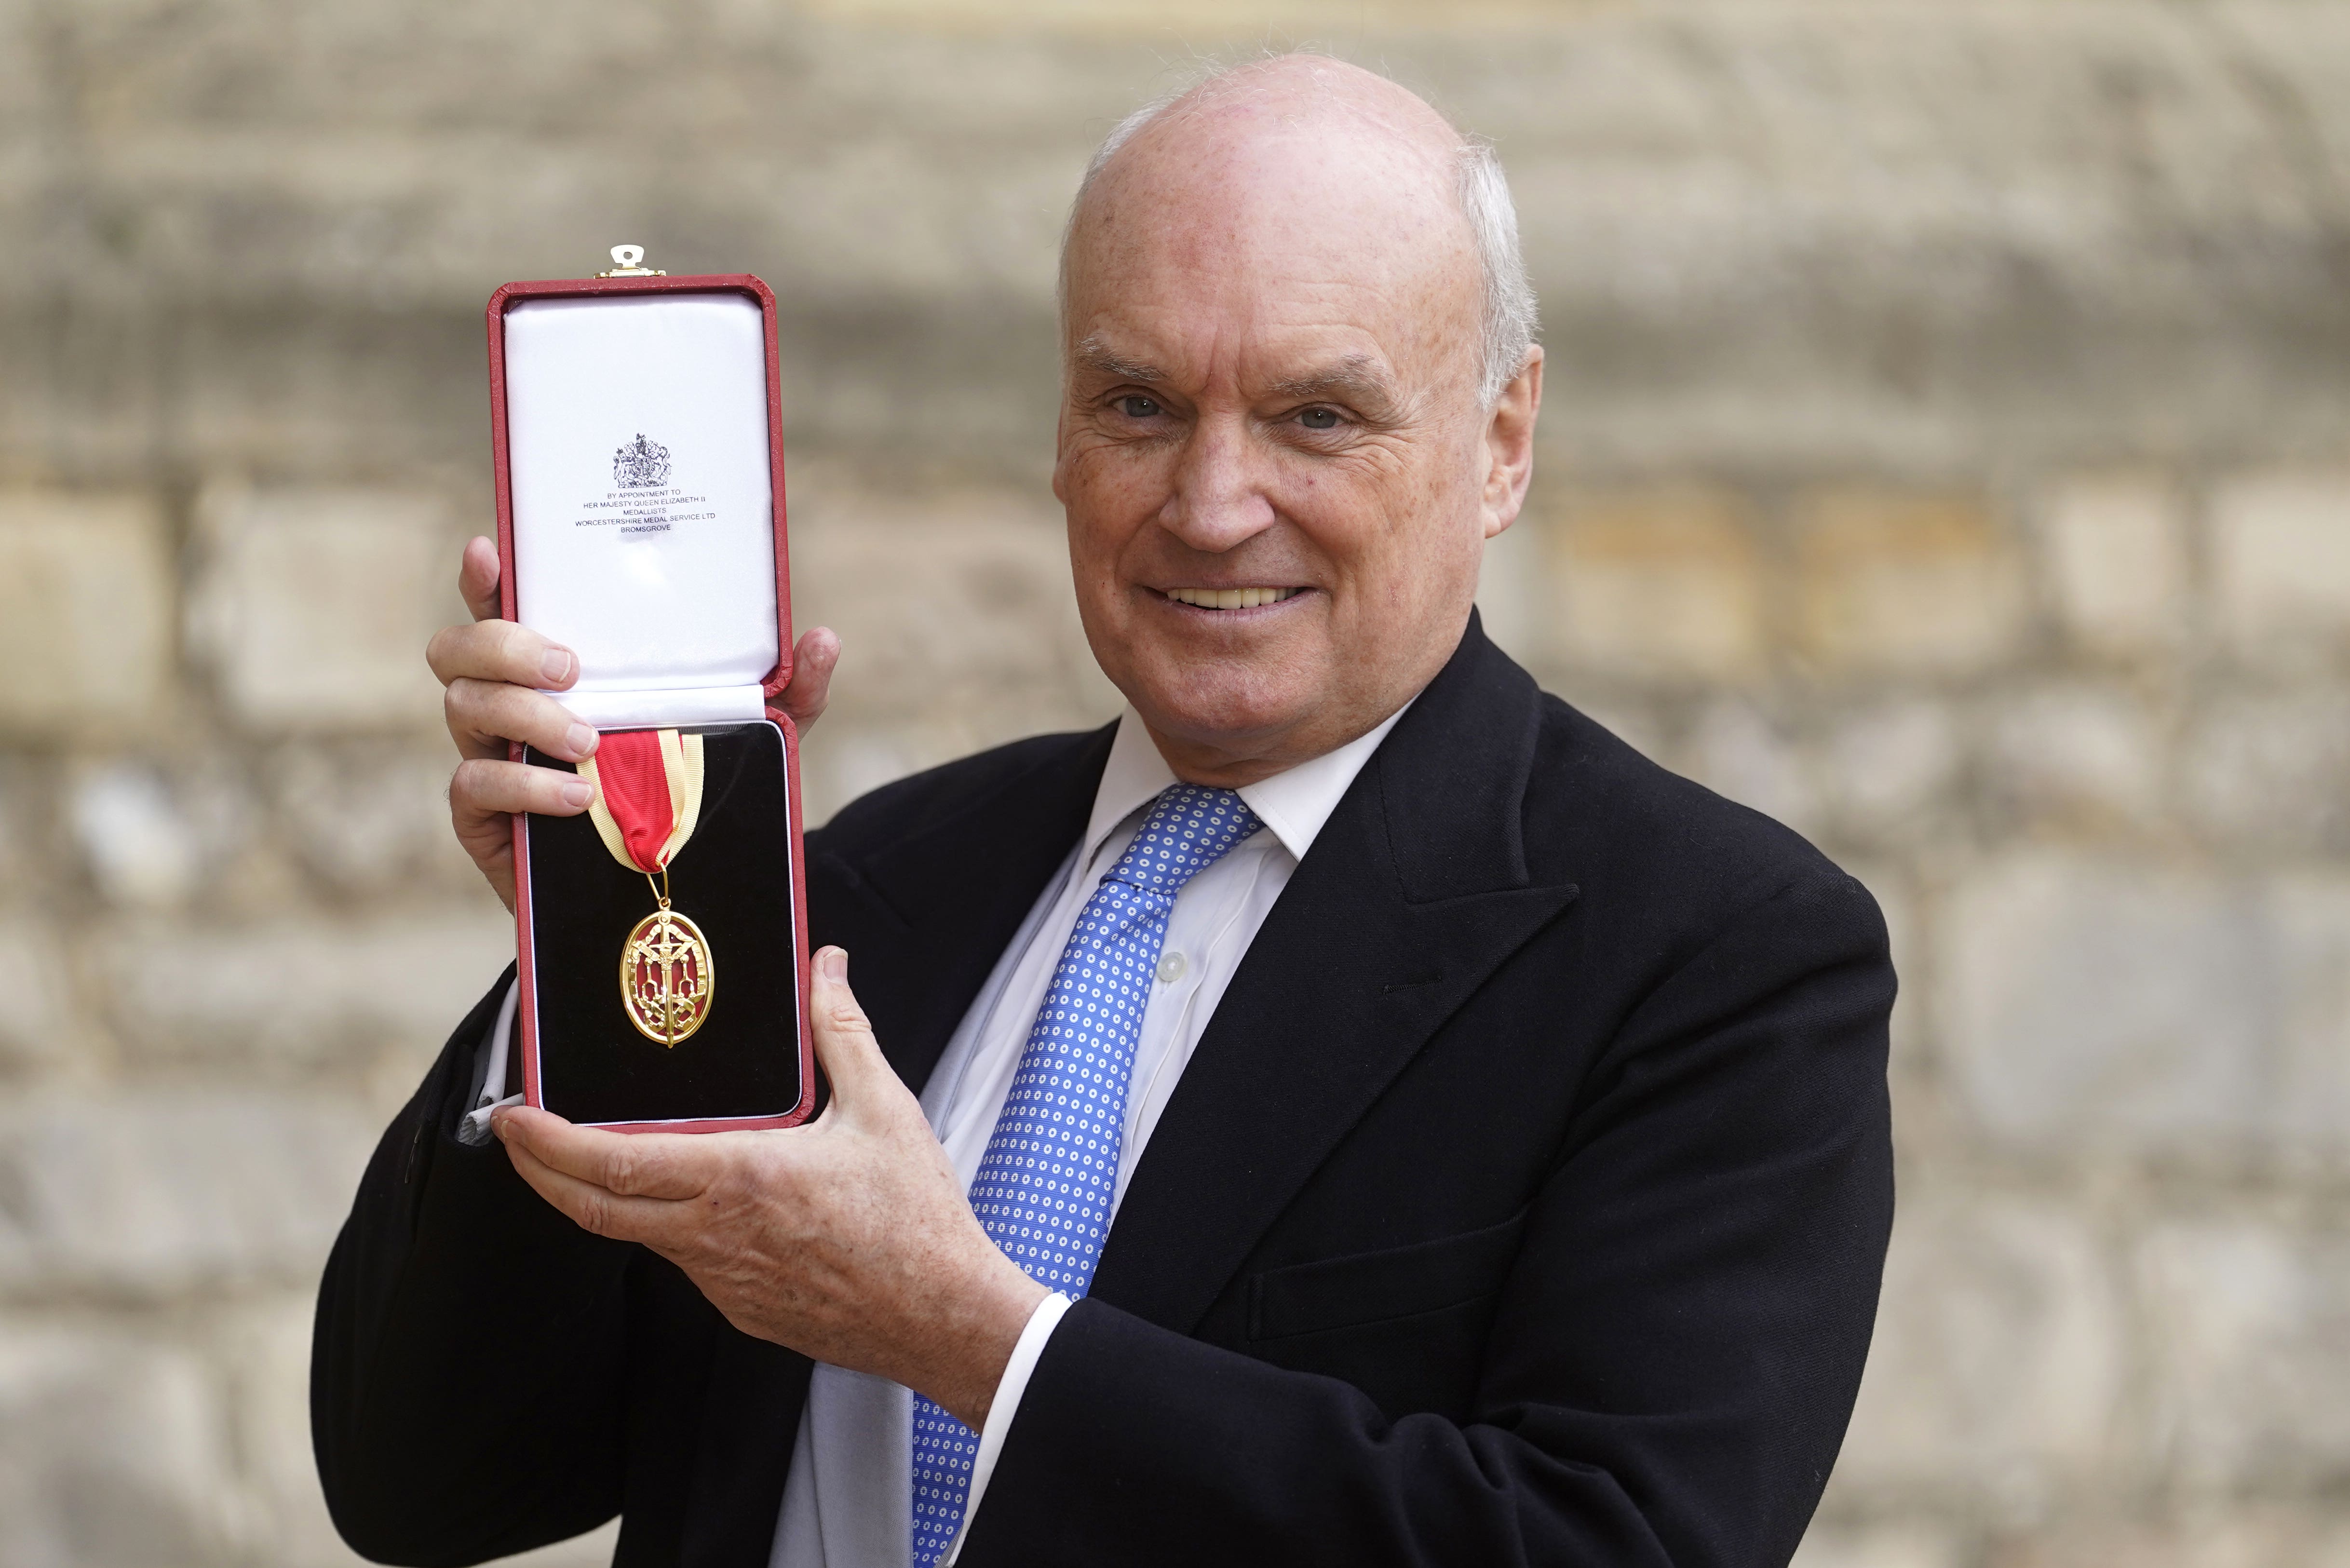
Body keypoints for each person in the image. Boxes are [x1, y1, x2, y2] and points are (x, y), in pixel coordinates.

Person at [312, 54, 1894, 1568]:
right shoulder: (863, 886)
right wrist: (587, 946)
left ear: (1501, 441)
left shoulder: (1716, 960)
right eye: (1138, 403)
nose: (1212, 504)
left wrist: (967, 1336)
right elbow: (416, 1477)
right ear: (1062, 437)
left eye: (1316, 417)